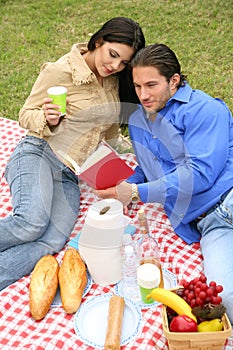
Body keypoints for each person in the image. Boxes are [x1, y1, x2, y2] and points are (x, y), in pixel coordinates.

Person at [0, 17, 145, 290]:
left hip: (71, 172)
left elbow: (109, 130)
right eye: (112, 55)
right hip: (39, 153)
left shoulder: (111, 79)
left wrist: (127, 158)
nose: (114, 66)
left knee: (52, 240)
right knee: (31, 223)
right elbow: (25, 114)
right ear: (99, 41)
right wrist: (47, 118)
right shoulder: (61, 71)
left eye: (123, 62)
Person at [96, 43, 233, 324]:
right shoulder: (137, 120)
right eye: (137, 86)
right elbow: (149, 168)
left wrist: (136, 192)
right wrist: (124, 185)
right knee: (226, 299)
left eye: (151, 85)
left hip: (229, 198)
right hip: (210, 224)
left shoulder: (205, 110)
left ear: (174, 81)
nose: (143, 95)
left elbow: (200, 175)